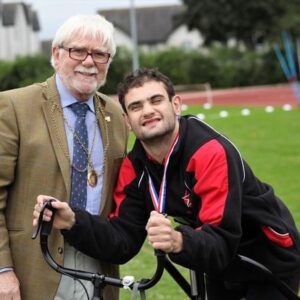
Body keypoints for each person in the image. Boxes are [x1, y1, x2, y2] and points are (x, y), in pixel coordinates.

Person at [34, 68, 300, 300]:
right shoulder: (133, 165)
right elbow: (122, 240)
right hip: (218, 260)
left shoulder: (209, 152)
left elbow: (221, 240)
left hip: (267, 256)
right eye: (136, 106)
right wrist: (72, 221)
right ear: (127, 120)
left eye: (156, 100)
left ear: (176, 104)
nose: (147, 111)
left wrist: (177, 240)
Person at [0, 14, 128, 300]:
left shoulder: (117, 117)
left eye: (100, 54)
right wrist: (2, 270)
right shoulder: (14, 107)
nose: (89, 61)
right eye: (78, 50)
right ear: (56, 54)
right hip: (34, 265)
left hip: (98, 263)